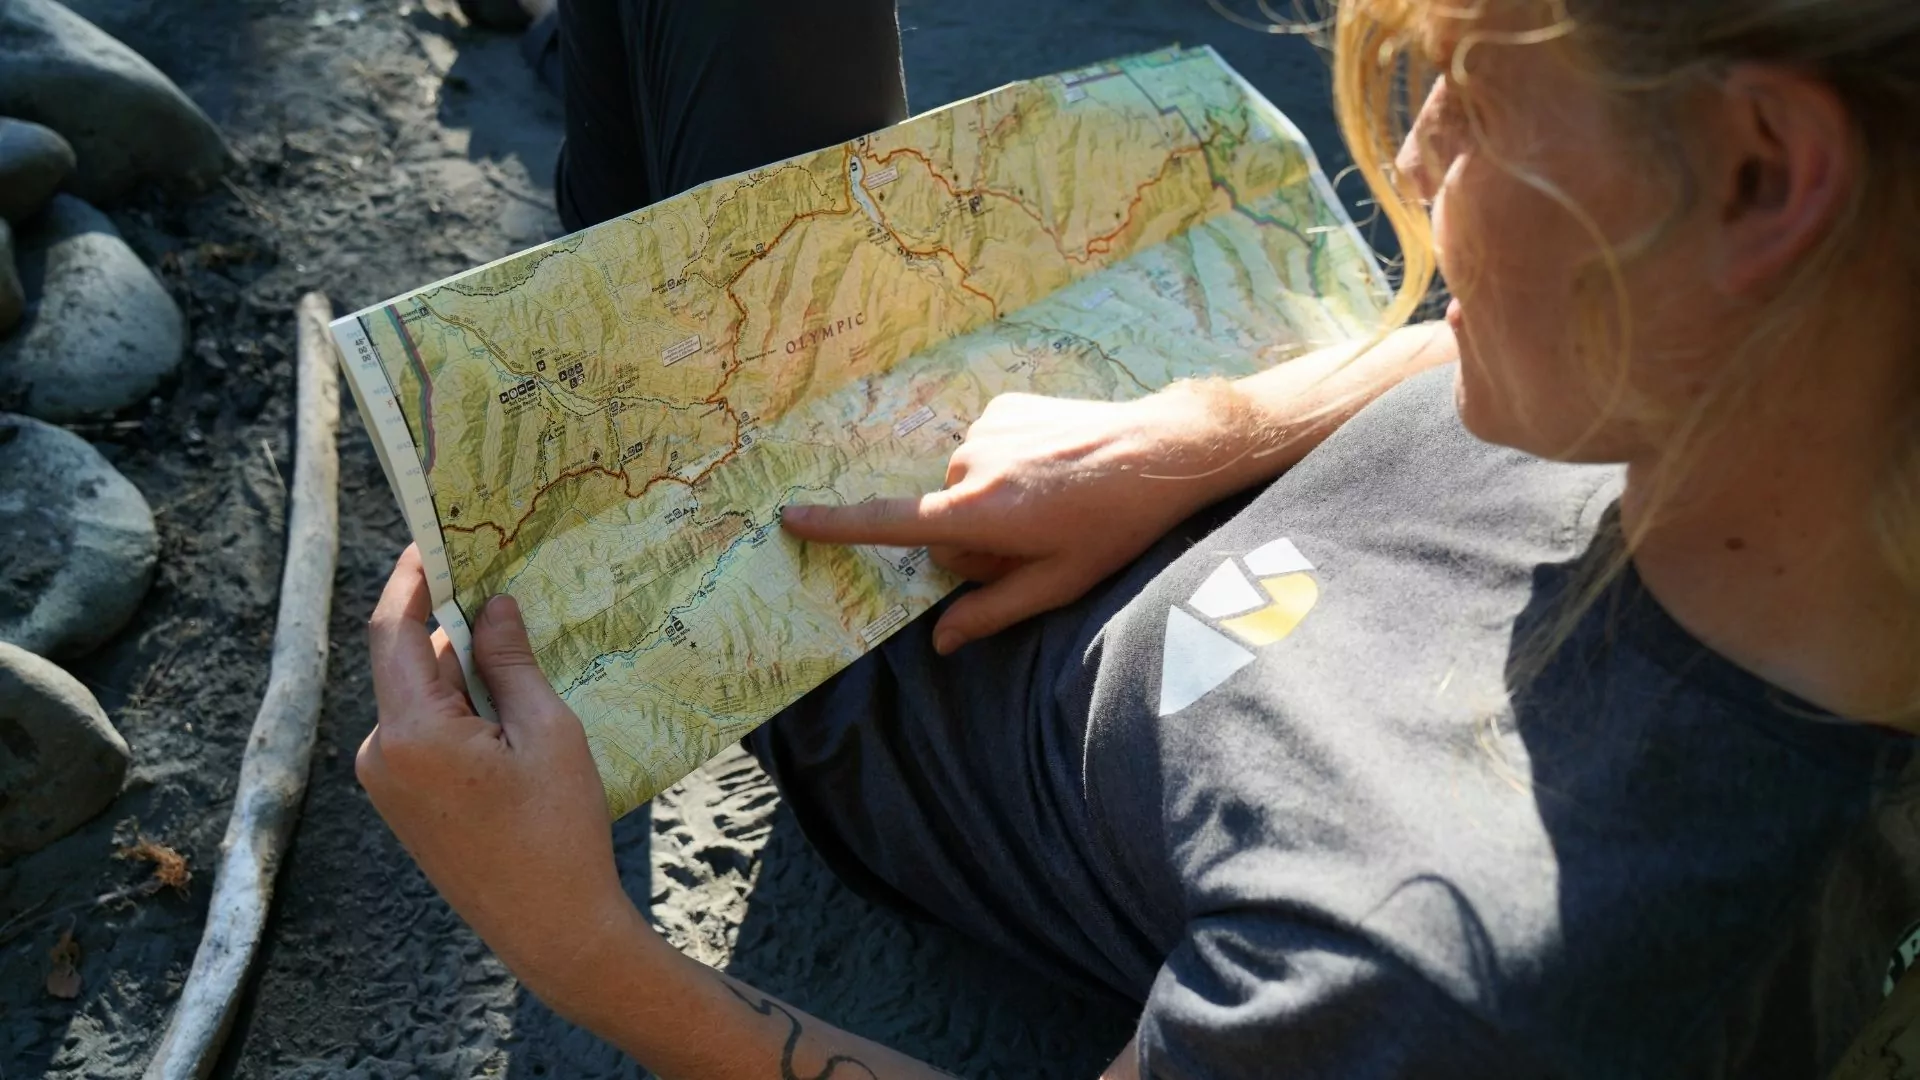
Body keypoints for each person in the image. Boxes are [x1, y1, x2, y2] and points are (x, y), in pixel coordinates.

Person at [355, 0, 1920, 1076]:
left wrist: (579, 943)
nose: (1424, 165)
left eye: (1480, 99)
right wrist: (1203, 437)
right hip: (1112, 457)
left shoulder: (1452, 969)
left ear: (1764, 174)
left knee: (644, 213)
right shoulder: (1807, 404)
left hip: (877, 630)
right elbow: (1449, 349)